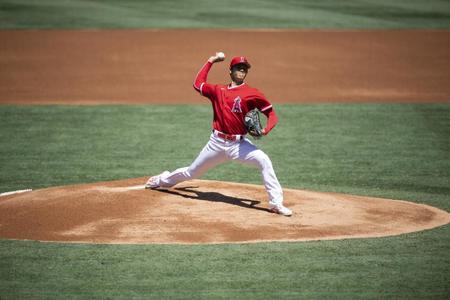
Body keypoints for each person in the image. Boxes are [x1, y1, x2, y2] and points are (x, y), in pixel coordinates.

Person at [145, 52, 292, 216]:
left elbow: (272, 114)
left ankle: (276, 203)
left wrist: (266, 129)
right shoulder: (218, 90)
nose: (241, 70)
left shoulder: (253, 93)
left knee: (264, 160)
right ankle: (160, 180)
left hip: (238, 145)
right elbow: (197, 83)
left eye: (244, 68)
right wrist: (211, 61)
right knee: (192, 172)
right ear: (231, 71)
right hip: (216, 143)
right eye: (238, 68)